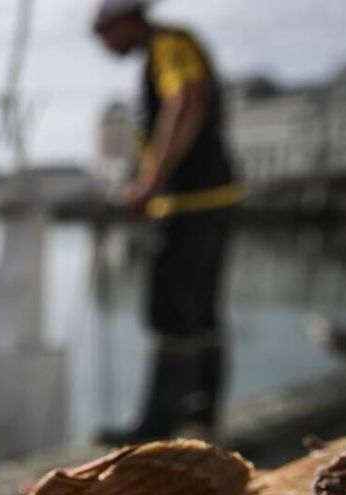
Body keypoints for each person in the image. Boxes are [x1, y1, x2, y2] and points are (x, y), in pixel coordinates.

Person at [93, 0, 244, 444]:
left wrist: (149, 183)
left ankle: (157, 429)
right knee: (202, 315)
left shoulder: (169, 44)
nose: (103, 42)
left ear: (123, 21)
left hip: (190, 204)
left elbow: (186, 99)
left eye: (103, 32)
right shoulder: (167, 48)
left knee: (173, 314)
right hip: (209, 201)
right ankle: (200, 418)